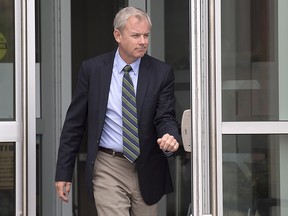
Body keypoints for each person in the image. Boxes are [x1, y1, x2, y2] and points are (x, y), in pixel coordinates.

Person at [55, 6, 180, 216]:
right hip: (107, 165)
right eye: (136, 35)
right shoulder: (93, 70)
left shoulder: (161, 72)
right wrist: (63, 172)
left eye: (146, 35)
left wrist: (170, 136)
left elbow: (165, 116)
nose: (143, 41)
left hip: (147, 166)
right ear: (118, 35)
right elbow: (74, 125)